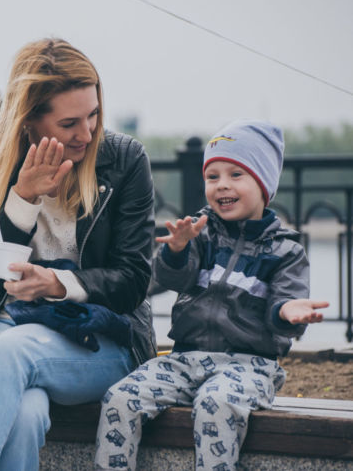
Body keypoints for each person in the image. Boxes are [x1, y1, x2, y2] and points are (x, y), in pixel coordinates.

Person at [0, 38, 157, 470]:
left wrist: (59, 284)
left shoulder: (124, 159)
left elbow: (132, 281)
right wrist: (22, 200)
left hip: (102, 339)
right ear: (28, 121)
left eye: (94, 115)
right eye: (70, 122)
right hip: (9, 326)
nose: (87, 133)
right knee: (25, 412)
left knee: (12, 353)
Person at [94, 119, 328, 471]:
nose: (222, 185)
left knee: (215, 404)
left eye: (236, 175)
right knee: (120, 397)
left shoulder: (285, 251)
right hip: (186, 359)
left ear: (264, 184)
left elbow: (285, 303)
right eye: (213, 176)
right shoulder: (200, 233)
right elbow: (170, 279)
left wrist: (288, 311)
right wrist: (176, 251)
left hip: (249, 366)